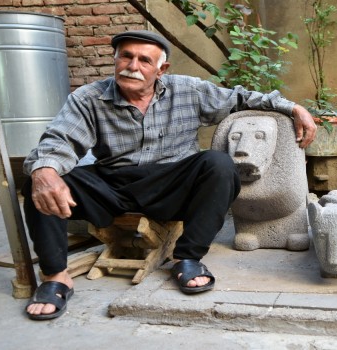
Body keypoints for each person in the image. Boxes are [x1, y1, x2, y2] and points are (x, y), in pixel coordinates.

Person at [22, 30, 316, 320]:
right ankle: (56, 277)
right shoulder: (89, 98)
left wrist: (293, 107)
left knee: (218, 165)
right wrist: (46, 170)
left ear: (161, 69)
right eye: (126, 56)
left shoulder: (188, 90)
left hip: (173, 184)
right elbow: (59, 139)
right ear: (115, 59)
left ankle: (187, 258)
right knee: (41, 178)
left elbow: (241, 99)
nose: (132, 66)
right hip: (114, 183)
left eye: (144, 60)